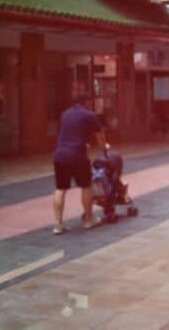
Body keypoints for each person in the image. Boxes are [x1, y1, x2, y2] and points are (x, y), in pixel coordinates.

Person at [52, 90, 106, 235]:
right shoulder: (89, 115)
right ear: (87, 102)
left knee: (60, 188)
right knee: (86, 186)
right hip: (77, 155)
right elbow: (100, 135)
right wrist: (104, 147)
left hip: (60, 155)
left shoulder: (65, 114)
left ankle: (58, 225)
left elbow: (66, 133)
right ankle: (88, 220)